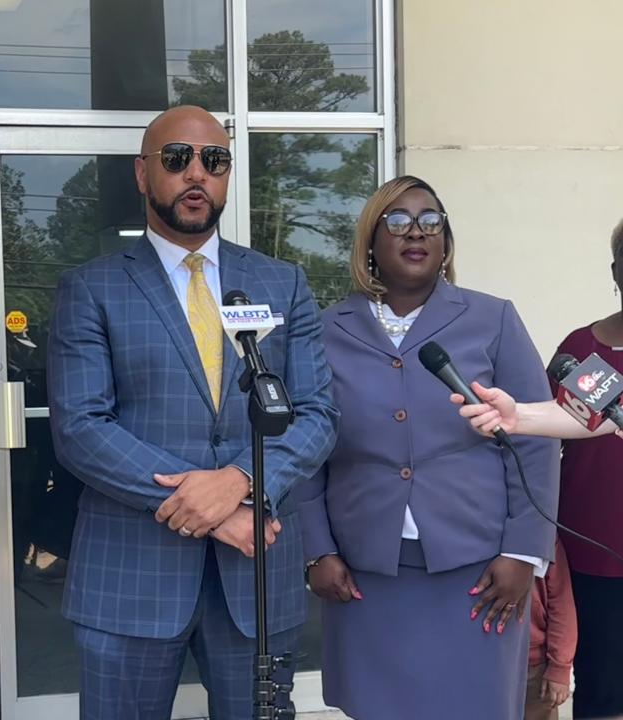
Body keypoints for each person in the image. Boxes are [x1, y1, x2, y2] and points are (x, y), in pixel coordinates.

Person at [47, 105, 339, 719]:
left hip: (254, 578)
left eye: (215, 160)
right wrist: (212, 511)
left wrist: (240, 483)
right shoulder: (92, 288)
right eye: (177, 159)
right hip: (130, 578)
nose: (196, 174)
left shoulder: (281, 283)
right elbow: (81, 428)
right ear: (142, 173)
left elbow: (316, 414)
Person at [302, 175, 560, 719]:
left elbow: (534, 442)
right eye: (397, 221)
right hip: (366, 570)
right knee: (380, 706)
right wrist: (316, 550)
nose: (415, 231)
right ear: (371, 242)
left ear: (446, 243)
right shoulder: (326, 330)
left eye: (430, 220)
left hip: (479, 569)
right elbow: (307, 449)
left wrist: (523, 553)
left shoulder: (493, 319)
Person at [461, 222, 623, 719]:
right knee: (605, 688)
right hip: (599, 552)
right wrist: (521, 416)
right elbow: (579, 414)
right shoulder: (589, 354)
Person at [525, 537, 577, 720]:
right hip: (479, 664)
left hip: (535, 667)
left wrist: (559, 667)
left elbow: (562, 605)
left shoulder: (545, 539)